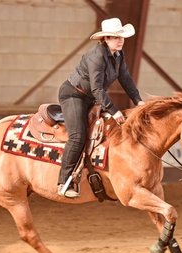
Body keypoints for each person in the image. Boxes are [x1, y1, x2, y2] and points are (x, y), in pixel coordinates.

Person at [57, 17, 145, 198]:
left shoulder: (119, 55)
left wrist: (138, 101)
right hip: (74, 95)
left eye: (120, 36)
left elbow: (126, 79)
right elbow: (97, 88)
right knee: (78, 136)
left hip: (91, 97)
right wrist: (114, 110)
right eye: (114, 37)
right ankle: (63, 181)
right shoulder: (96, 56)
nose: (119, 40)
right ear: (105, 39)